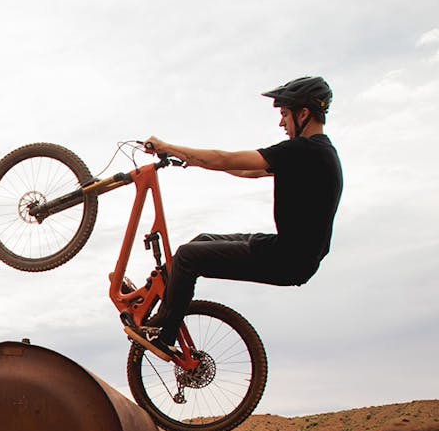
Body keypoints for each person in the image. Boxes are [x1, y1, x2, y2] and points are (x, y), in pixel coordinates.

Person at [126, 75, 343, 361]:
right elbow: (246, 170)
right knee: (201, 241)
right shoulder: (315, 154)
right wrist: (193, 160)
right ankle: (153, 296)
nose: (282, 124)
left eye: (284, 115)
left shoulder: (305, 152)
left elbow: (226, 159)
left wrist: (169, 147)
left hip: (288, 259)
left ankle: (163, 335)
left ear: (303, 114)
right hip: (288, 250)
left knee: (190, 256)